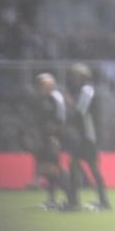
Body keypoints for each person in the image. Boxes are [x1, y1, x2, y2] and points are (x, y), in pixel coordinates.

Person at [64, 63, 111, 212]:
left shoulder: (87, 90)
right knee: (77, 166)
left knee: (87, 168)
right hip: (85, 135)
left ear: (83, 77)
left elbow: (80, 112)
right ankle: (81, 201)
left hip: (88, 136)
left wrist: (70, 105)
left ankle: (94, 202)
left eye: (75, 76)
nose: (73, 79)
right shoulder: (85, 90)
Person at [31, 73, 72, 210]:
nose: (45, 87)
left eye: (47, 84)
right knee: (50, 170)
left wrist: (57, 137)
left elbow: (61, 118)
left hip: (54, 138)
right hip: (45, 137)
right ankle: (53, 199)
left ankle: (71, 196)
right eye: (42, 84)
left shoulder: (56, 98)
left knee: (54, 168)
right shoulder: (42, 99)